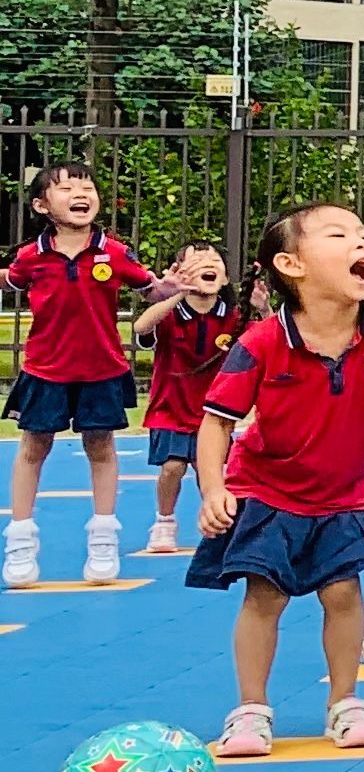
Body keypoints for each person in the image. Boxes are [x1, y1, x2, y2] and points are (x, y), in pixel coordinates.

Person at [188, 205, 364, 757]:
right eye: (339, 235)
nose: (362, 243)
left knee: (343, 592)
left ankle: (345, 702)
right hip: (266, 491)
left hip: (342, 495)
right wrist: (214, 490)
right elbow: (216, 424)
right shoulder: (261, 342)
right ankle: (251, 710)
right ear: (292, 265)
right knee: (266, 595)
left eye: (363, 235)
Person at [8, 160, 149, 588]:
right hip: (45, 369)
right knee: (33, 447)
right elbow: (11, 280)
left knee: (100, 447)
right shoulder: (31, 257)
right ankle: (20, 540)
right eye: (67, 188)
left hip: (102, 369)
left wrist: (178, 285)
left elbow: (151, 287)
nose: (80, 194)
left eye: (87, 187)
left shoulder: (116, 253)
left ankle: (103, 537)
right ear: (42, 205)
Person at [133, 241, 236, 557]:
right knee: (173, 466)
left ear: (225, 278)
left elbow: (266, 341)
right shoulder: (170, 314)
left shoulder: (233, 317)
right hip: (170, 407)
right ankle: (164, 521)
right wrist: (176, 292)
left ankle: (219, 524)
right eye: (198, 260)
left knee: (210, 470)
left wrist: (263, 309)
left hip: (212, 412)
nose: (208, 264)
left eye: (214, 260)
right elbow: (141, 326)